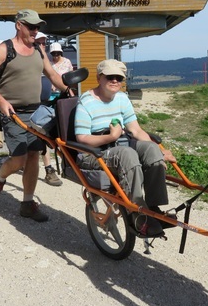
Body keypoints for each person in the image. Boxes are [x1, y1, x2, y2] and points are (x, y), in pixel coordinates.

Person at [0, 9, 70, 222]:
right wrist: (1, 101)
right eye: (31, 26)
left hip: (36, 112)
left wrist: (68, 91)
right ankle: (0, 180)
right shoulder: (4, 49)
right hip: (13, 112)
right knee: (19, 158)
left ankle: (27, 204)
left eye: (37, 27)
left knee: (33, 156)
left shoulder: (39, 50)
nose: (35, 30)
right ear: (18, 25)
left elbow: (52, 74)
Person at [74, 59, 176, 237]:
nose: (115, 81)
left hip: (119, 146)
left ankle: (153, 207)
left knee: (150, 150)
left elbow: (135, 130)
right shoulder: (86, 102)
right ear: (99, 78)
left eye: (119, 78)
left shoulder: (121, 98)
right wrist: (111, 137)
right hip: (94, 152)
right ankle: (135, 211)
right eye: (110, 77)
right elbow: (81, 138)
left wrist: (159, 152)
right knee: (127, 153)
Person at [35, 33, 63, 186]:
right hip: (27, 106)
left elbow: (52, 75)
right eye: (38, 43)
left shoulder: (43, 58)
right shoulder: (25, 58)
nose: (42, 46)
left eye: (44, 43)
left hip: (45, 103)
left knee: (45, 135)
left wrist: (67, 91)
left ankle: (48, 168)